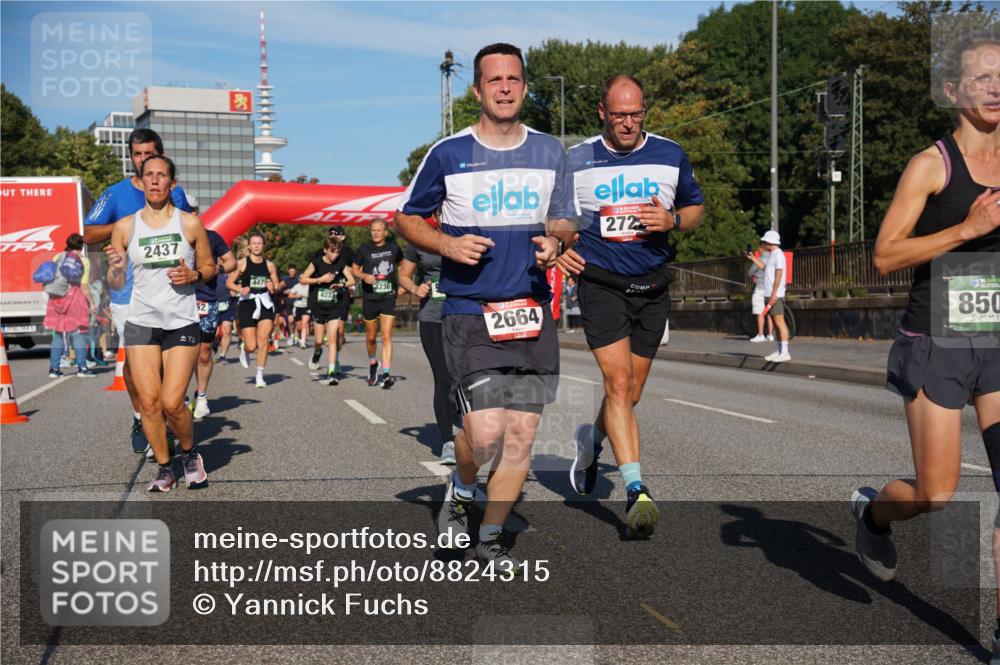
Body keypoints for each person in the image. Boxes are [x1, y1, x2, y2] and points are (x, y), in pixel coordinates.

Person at [395, 42, 575, 569]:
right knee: (486, 430)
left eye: (512, 80)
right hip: (471, 310)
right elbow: (407, 218)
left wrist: (557, 242)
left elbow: (563, 217)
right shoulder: (449, 153)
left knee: (522, 433)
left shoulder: (550, 151)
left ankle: (491, 538)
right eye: (493, 80)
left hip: (531, 310)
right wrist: (448, 246)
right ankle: (463, 485)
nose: (503, 88)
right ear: (476, 89)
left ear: (524, 87)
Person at [850, 34, 1000, 654]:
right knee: (935, 495)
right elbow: (884, 255)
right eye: (982, 76)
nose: (996, 86)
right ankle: (875, 516)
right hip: (936, 340)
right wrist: (967, 228)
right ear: (952, 91)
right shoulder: (931, 165)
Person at [560, 74, 704, 538]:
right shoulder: (576, 159)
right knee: (617, 383)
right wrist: (557, 243)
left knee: (632, 392)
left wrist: (674, 219)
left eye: (636, 113)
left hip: (653, 285)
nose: (628, 122)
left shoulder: (670, 153)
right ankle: (637, 491)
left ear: (645, 111)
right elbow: (555, 216)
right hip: (600, 283)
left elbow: (696, 210)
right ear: (602, 112)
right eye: (619, 114)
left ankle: (592, 440)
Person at [105, 155, 215, 492]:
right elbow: (115, 280)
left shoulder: (189, 224)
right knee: (149, 401)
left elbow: (210, 268)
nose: (154, 180)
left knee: (171, 402)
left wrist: (194, 274)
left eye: (161, 175)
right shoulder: (125, 227)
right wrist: (118, 267)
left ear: (171, 182)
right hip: (141, 321)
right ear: (141, 182)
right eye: (148, 175)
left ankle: (189, 453)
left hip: (180, 320)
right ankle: (165, 468)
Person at [83, 128, 193, 454]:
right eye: (137, 154)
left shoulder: (174, 191)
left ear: (160, 153)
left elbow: (191, 228)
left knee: (164, 367)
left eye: (148, 154)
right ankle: (141, 415)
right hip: (127, 295)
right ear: (130, 156)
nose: (142, 160)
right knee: (134, 367)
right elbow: (88, 233)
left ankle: (166, 420)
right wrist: (129, 224)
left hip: (169, 293)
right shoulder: (116, 194)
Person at [399, 237, 457, 464]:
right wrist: (415, 288)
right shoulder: (422, 239)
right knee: (443, 378)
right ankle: (447, 442)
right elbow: (403, 274)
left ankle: (459, 416)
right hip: (433, 317)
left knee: (462, 378)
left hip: (464, 317)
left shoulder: (468, 232)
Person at [189, 197, 237, 419]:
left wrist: (219, 267)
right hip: (175, 301)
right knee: (178, 353)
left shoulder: (212, 237)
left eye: (191, 210)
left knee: (204, 352)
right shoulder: (169, 237)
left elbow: (232, 262)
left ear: (197, 212)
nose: (187, 214)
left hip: (205, 299)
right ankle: (178, 396)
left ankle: (201, 396)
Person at [352, 219, 403, 388]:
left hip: (388, 296)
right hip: (370, 297)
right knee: (371, 337)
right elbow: (354, 269)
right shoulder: (363, 250)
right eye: (373, 230)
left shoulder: (394, 248)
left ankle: (387, 373)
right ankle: (373, 362)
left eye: (379, 230)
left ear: (385, 232)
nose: (376, 233)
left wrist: (403, 284)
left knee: (386, 335)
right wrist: (364, 276)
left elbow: (404, 266)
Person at [227, 231, 280, 388]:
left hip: (265, 302)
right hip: (247, 304)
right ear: (249, 246)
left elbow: (276, 286)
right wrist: (239, 289)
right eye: (254, 243)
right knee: (252, 346)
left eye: (260, 243)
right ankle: (245, 348)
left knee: (264, 341)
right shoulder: (242, 263)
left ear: (263, 246)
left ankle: (259, 375)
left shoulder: (270, 265)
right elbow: (229, 282)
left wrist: (273, 287)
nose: (257, 245)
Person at [301, 236, 355, 383]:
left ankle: (331, 372)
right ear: (325, 250)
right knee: (319, 340)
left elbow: (352, 280)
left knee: (332, 337)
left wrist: (341, 285)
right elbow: (303, 279)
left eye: (338, 251)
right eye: (332, 251)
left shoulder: (341, 263)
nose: (335, 255)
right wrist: (320, 280)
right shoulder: (316, 262)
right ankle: (317, 352)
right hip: (318, 304)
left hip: (334, 305)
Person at [45, 234, 98, 379]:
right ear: (81, 247)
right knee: (78, 333)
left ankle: (54, 369)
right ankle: (82, 368)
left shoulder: (57, 257)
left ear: (67, 245)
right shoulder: (84, 261)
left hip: (56, 299)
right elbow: (84, 286)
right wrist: (92, 304)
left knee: (58, 334)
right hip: (75, 299)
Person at [759, 230, 791, 362]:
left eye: (765, 241)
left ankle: (785, 352)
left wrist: (774, 294)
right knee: (776, 324)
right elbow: (765, 269)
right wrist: (752, 258)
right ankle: (779, 350)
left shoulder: (779, 255)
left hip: (775, 295)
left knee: (780, 322)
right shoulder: (772, 255)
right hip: (770, 294)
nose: (763, 243)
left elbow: (779, 275)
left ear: (770, 242)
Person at [746, 241, 774, 342]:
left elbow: (750, 273)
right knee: (770, 312)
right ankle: (770, 335)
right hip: (770, 289)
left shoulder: (760, 259)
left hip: (760, 288)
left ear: (762, 248)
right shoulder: (772, 259)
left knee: (760, 312)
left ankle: (761, 335)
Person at [214, 277, 238, 362]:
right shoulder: (212, 269)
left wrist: (236, 289)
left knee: (227, 330)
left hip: (229, 304)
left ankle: (222, 355)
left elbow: (237, 288)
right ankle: (215, 343)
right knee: (214, 332)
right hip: (213, 303)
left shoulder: (233, 272)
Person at [280, 265, 300, 346]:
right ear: (288, 271)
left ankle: (297, 337)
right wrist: (284, 292)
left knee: (298, 323)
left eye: (293, 272)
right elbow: (278, 288)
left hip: (298, 303)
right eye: (291, 271)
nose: (292, 273)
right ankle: (291, 336)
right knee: (291, 321)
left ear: (296, 271)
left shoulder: (299, 280)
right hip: (288, 303)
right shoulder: (285, 280)